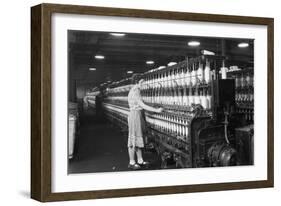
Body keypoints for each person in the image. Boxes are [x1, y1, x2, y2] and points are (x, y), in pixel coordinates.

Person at [127, 74, 163, 170]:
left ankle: (140, 160)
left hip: (138, 114)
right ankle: (131, 162)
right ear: (138, 82)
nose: (144, 84)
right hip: (135, 115)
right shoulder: (135, 91)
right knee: (133, 139)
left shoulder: (135, 90)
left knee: (139, 138)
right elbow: (142, 104)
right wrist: (156, 110)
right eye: (143, 82)